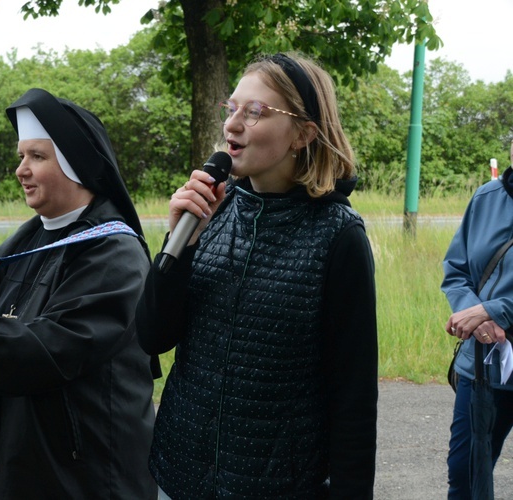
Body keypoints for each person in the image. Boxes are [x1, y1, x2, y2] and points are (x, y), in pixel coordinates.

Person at [137, 52, 378, 498]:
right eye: (232, 109)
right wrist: (181, 243)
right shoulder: (211, 208)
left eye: (254, 112)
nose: (232, 125)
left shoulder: (338, 237)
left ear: (303, 134)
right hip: (180, 473)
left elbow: (354, 396)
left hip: (278, 484)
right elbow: (152, 337)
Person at [0, 88, 158, 498]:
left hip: (85, 472)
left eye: (37, 156)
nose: (21, 169)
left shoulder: (115, 253)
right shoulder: (29, 238)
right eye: (21, 156)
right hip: (22, 459)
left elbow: (51, 347)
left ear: (78, 166)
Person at [443, 140, 513, 499]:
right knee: (466, 475)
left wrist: (496, 310)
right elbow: (455, 269)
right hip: (484, 363)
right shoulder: (488, 197)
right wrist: (475, 313)